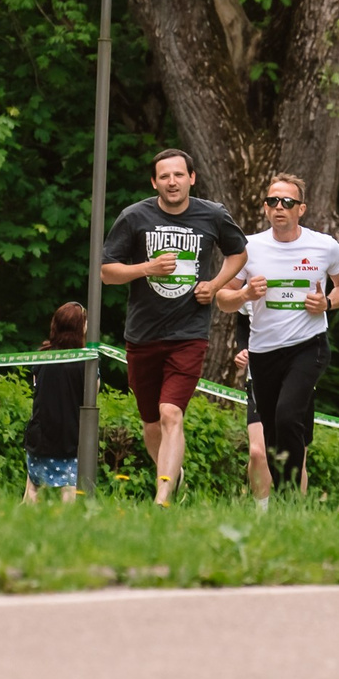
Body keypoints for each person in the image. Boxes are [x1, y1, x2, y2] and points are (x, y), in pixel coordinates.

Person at [100, 149, 246, 506]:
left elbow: (238, 253)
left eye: (179, 175)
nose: (172, 182)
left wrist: (215, 285)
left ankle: (162, 497)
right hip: (143, 334)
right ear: (154, 183)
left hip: (188, 334)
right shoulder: (134, 217)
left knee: (171, 413)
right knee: (151, 422)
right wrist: (146, 268)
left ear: (192, 178)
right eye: (164, 176)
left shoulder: (212, 214)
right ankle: (173, 474)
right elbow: (107, 272)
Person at [217, 174, 339, 509]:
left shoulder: (324, 246)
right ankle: (283, 501)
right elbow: (222, 297)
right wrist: (245, 293)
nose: (280, 207)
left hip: (309, 346)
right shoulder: (248, 248)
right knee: (271, 435)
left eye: (287, 202)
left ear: (301, 209)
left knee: (287, 415)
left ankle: (291, 499)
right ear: (265, 208)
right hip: (263, 352)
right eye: (273, 201)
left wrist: (328, 303)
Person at [25, 302, 88, 504]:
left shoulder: (42, 356)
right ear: (81, 327)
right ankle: (65, 529)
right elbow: (91, 397)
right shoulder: (85, 361)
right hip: (69, 436)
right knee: (69, 488)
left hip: (40, 433)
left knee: (33, 486)